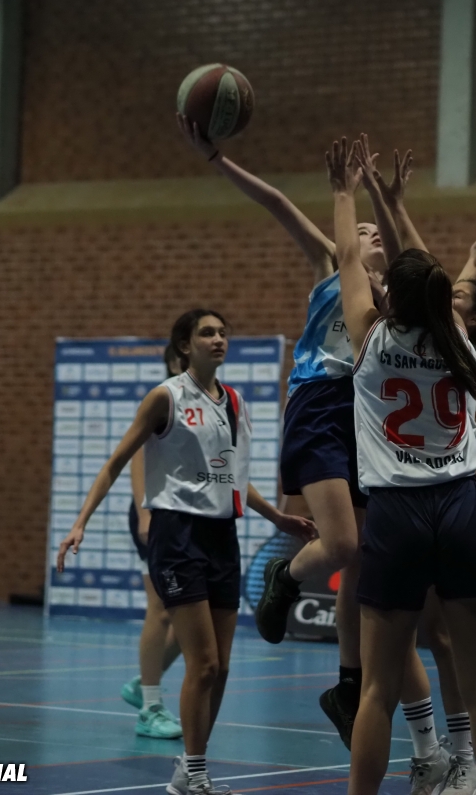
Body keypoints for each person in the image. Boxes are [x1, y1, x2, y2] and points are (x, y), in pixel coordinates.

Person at [175, 114, 401, 743]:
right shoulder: (332, 261)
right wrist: (215, 158)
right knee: (344, 545)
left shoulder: (393, 297)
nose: (366, 233)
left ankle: (349, 682)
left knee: (362, 558)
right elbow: (275, 201)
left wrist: (389, 202)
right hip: (318, 403)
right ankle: (285, 575)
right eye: (359, 227)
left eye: (375, 230)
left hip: (366, 416)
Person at [57, 309, 315, 795]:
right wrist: (80, 522)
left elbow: (233, 478)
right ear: (184, 345)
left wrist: (277, 518)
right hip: (177, 535)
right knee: (204, 662)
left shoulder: (235, 402)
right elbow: (116, 462)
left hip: (222, 537)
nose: (218, 339)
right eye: (207, 333)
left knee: (222, 666)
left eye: (223, 333)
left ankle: (190, 768)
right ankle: (192, 773)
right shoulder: (166, 397)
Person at [328, 137, 476, 795]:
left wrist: (344, 192)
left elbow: (347, 256)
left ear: (390, 296)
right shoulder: (460, 338)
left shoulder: (370, 337)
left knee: (377, 690)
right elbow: (429, 268)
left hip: (398, 511)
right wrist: (396, 202)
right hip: (463, 506)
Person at [120, 343, 185, 739]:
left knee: (197, 615)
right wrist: (145, 514)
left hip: (191, 518)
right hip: (156, 514)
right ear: (177, 359)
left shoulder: (214, 401)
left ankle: (144, 681)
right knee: (160, 609)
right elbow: (138, 457)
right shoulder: (163, 398)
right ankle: (150, 706)